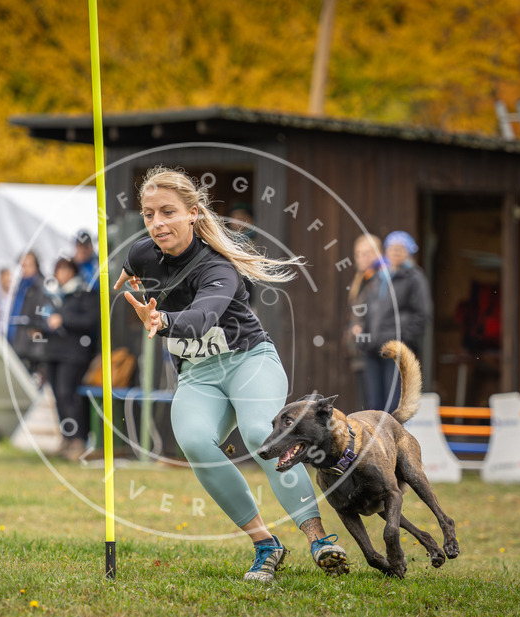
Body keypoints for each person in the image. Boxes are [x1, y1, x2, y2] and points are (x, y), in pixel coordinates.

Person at [114, 166, 348, 583]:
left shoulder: (218, 268)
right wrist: (128, 276)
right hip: (198, 376)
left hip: (249, 361)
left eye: (168, 212)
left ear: (193, 214)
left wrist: (161, 319)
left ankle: (318, 538)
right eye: (149, 214)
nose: (157, 223)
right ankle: (266, 545)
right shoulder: (142, 251)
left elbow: (203, 318)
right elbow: (133, 263)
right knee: (193, 442)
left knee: (262, 434)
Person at [357, 230, 431, 414]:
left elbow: (422, 314)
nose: (396, 252)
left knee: (394, 405)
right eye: (392, 248)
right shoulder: (377, 278)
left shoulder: (414, 278)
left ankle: (393, 442)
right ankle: (375, 443)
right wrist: (364, 337)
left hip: (396, 349)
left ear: (409, 252)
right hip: (373, 348)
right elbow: (368, 312)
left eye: (401, 249)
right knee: (374, 404)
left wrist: (403, 340)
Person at [39, 257, 100, 460]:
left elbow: (91, 320)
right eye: (59, 270)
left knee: (69, 395)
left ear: (73, 271)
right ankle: (66, 437)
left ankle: (78, 440)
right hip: (53, 352)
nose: (62, 274)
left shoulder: (84, 293)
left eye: (66, 270)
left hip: (74, 354)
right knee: (58, 397)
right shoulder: (52, 295)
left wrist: (64, 320)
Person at [347, 234, 385, 410]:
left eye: (368, 253)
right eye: (359, 254)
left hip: (374, 348)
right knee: (366, 404)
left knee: (376, 405)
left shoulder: (382, 280)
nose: (363, 258)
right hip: (360, 350)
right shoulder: (361, 280)